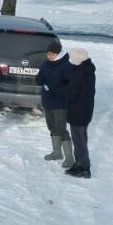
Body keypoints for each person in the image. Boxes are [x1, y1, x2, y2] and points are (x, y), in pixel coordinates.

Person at [35, 40, 74, 168]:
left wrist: (54, 90)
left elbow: (71, 86)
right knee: (52, 127)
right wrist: (39, 79)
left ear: (58, 54)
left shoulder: (66, 66)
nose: (49, 56)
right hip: (48, 102)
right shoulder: (46, 65)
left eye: (52, 54)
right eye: (48, 53)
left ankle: (70, 158)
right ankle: (57, 152)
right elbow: (39, 79)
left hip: (60, 103)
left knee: (61, 129)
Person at [64, 47, 96, 178]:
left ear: (78, 59)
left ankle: (84, 167)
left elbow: (71, 94)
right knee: (81, 138)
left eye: (73, 58)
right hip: (85, 110)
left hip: (77, 111)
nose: (71, 60)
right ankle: (80, 163)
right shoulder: (87, 69)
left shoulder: (80, 73)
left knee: (79, 140)